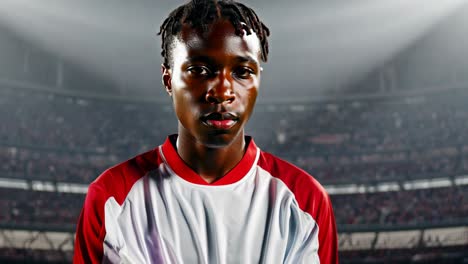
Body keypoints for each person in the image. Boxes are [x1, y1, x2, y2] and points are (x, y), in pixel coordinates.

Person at [73, 0, 338, 263]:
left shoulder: (306, 200)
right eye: (199, 70)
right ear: (168, 80)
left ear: (258, 80)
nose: (222, 92)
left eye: (242, 71)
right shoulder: (111, 197)